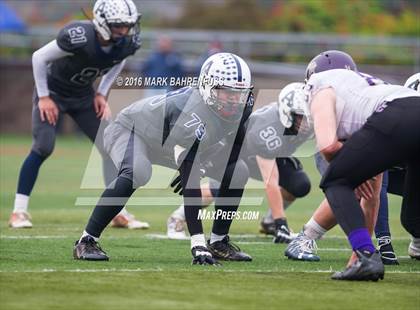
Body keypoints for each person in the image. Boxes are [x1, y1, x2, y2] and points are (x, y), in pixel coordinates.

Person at [73, 53, 255, 265]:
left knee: (237, 171)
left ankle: (218, 242)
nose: (234, 98)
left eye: (239, 92)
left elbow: (236, 145)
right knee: (138, 171)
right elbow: (191, 185)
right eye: (226, 91)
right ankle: (87, 240)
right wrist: (197, 244)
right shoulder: (190, 112)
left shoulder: (244, 105)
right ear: (207, 86)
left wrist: (204, 164)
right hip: (131, 130)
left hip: (168, 142)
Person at [8, 0, 149, 230]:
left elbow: (118, 61)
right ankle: (18, 211)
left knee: (110, 146)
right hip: (53, 93)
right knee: (43, 146)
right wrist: (44, 96)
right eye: (119, 25)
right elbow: (39, 57)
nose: (124, 31)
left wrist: (101, 93)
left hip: (83, 96)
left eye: (127, 25)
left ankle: (118, 212)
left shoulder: (125, 43)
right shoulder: (79, 36)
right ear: (102, 23)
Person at [302, 68, 420, 281]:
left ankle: (365, 255)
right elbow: (372, 197)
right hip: (408, 110)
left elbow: (328, 147)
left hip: (398, 115)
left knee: (335, 181)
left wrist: (348, 176)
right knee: (414, 220)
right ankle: (361, 259)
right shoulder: (367, 93)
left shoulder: (319, 85)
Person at [285, 51, 398, 265]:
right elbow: (328, 144)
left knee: (371, 190)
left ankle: (364, 251)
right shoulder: (329, 95)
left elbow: (373, 197)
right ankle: (305, 237)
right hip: (334, 139)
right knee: (348, 188)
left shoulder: (359, 93)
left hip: (368, 134)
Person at [167, 83, 312, 244]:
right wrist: (282, 223)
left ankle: (269, 223)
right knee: (219, 188)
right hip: (239, 152)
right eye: (301, 117)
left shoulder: (306, 122)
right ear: (287, 111)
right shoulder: (267, 129)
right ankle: (178, 217)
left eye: (308, 116)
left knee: (299, 184)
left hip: (272, 153)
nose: (306, 122)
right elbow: (270, 181)